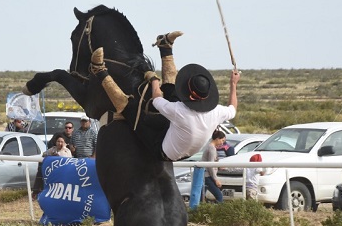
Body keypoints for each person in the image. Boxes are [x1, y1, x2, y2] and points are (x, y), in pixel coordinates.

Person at [90, 31, 239, 162]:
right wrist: (234, 84)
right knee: (173, 95)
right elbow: (233, 108)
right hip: (182, 141)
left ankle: (99, 71)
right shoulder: (216, 111)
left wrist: (153, 79)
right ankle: (165, 47)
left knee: (133, 111)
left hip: (162, 150)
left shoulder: (180, 111)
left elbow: (157, 99)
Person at [201, 130, 227, 203]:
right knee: (219, 196)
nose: (222, 143)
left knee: (201, 197)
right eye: (222, 140)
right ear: (217, 138)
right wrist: (216, 179)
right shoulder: (212, 148)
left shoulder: (209, 146)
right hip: (207, 175)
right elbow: (210, 165)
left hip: (205, 174)